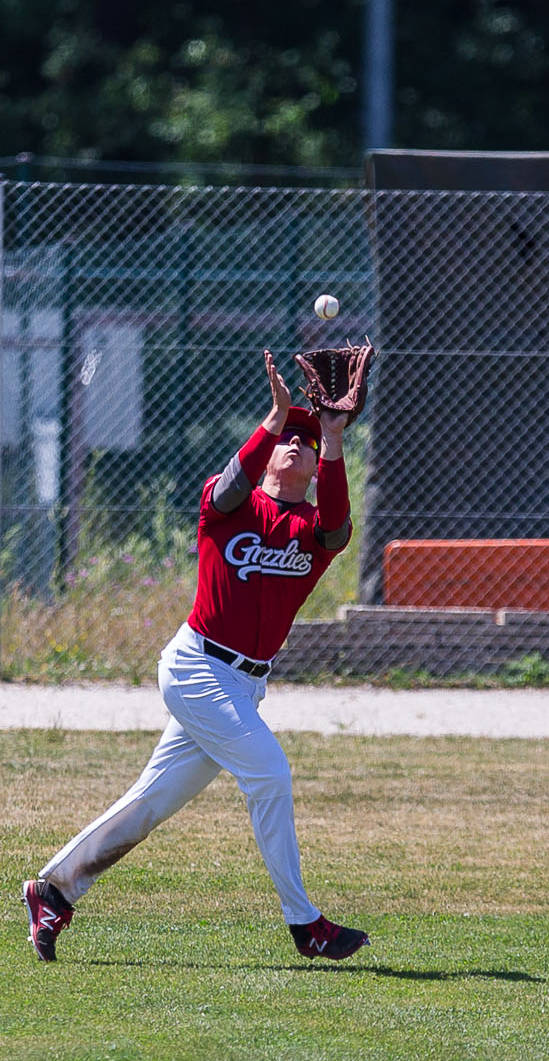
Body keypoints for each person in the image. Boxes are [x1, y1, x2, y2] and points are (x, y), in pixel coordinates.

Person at [21, 350, 369, 962]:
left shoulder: (312, 532)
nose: (295, 445)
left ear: (316, 466)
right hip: (197, 666)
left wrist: (334, 435)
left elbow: (340, 530)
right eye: (288, 438)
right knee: (270, 773)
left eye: (305, 443)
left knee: (149, 802)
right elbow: (234, 479)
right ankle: (305, 923)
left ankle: (54, 890)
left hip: (243, 685)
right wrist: (274, 417)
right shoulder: (226, 506)